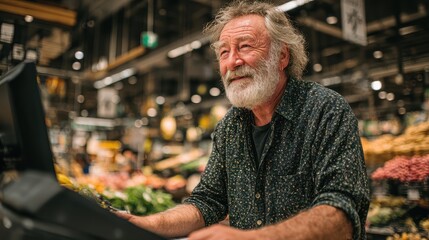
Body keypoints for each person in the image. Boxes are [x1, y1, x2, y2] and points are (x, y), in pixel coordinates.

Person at [117, 1, 370, 239]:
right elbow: (208, 202)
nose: (232, 62)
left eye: (246, 46)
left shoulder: (325, 110)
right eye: (224, 52)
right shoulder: (230, 125)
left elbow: (343, 213)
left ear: (282, 56)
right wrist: (147, 225)